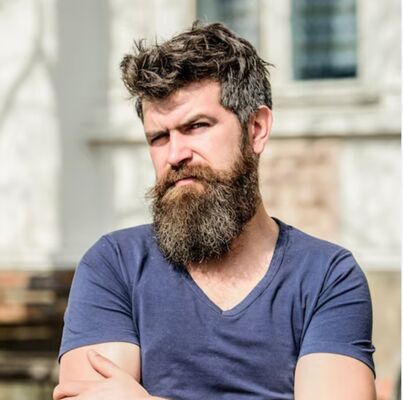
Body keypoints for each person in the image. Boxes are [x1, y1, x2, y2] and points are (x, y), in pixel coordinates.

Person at [54, 22, 376, 400]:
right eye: (159, 137)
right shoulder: (115, 267)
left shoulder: (326, 277)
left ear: (256, 129)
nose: (176, 155)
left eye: (196, 126)